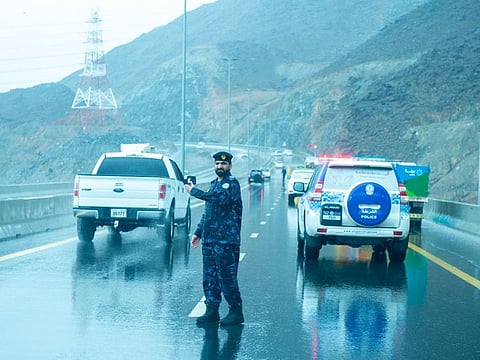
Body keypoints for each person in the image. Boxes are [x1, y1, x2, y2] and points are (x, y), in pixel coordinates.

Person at [185, 151, 244, 326]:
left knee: (227, 276)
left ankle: (236, 311)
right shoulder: (213, 184)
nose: (220, 167)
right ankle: (211, 310)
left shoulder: (230, 184)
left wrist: (194, 191)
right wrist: (198, 232)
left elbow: (218, 199)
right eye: (217, 164)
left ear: (230, 166)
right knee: (210, 276)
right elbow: (208, 211)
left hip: (226, 240)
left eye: (223, 164)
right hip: (210, 239)